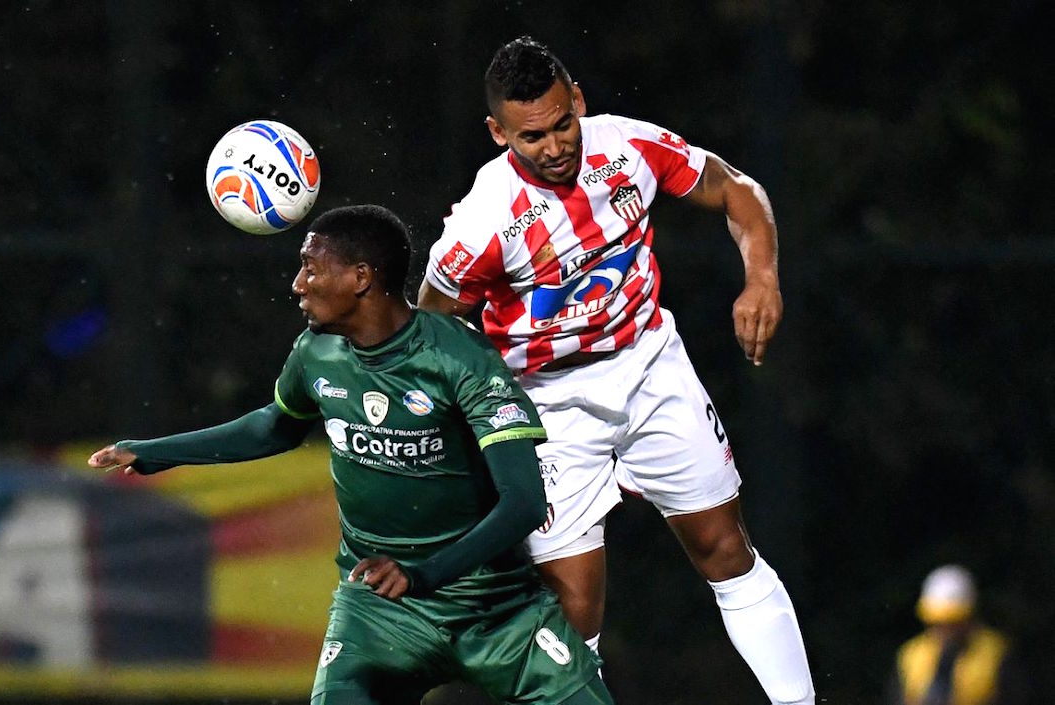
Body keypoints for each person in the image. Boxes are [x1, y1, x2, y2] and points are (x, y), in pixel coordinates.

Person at [417, 36, 814, 703]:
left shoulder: (627, 147)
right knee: (573, 606)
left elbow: (735, 189)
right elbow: (432, 325)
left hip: (650, 366)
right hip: (547, 404)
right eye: (531, 135)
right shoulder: (483, 221)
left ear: (578, 100)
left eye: (562, 122)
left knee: (723, 547)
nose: (554, 145)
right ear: (498, 133)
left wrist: (762, 277)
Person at [88, 204, 615, 705]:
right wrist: (154, 452)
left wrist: (423, 573)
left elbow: (523, 503)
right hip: (379, 611)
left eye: (311, 269)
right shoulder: (316, 352)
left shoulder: (461, 359)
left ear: (361, 278)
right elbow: (274, 428)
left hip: (494, 606)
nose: (298, 285)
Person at [889, 565, 1028, 705]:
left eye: (953, 621)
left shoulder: (997, 654)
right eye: (937, 621)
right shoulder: (911, 655)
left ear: (969, 616)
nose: (945, 630)